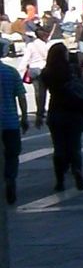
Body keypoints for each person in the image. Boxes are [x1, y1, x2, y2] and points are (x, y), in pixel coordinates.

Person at [38, 40, 83, 193]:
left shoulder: (46, 72)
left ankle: (60, 180)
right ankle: (76, 169)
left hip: (56, 111)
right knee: (75, 145)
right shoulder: (74, 69)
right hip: (75, 112)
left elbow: (41, 95)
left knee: (59, 147)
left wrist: (39, 114)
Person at [1, 55, 28, 205]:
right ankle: (10, 180)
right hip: (10, 121)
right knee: (12, 155)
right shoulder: (11, 72)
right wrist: (24, 117)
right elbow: (21, 96)